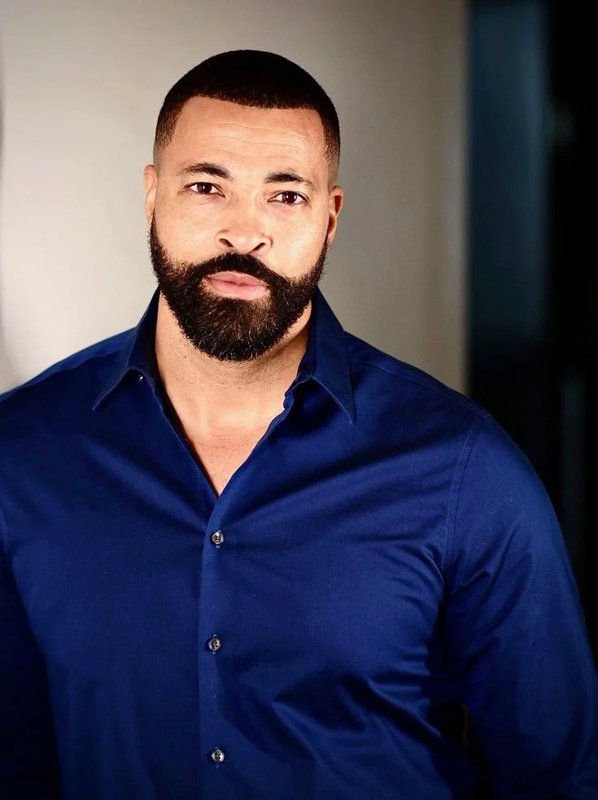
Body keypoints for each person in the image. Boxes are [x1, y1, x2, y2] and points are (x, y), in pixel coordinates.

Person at [0, 49, 596, 800]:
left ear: (330, 218)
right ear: (152, 196)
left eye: (285, 196)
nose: (244, 233)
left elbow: (560, 780)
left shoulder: (464, 471)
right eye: (207, 187)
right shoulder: (22, 452)